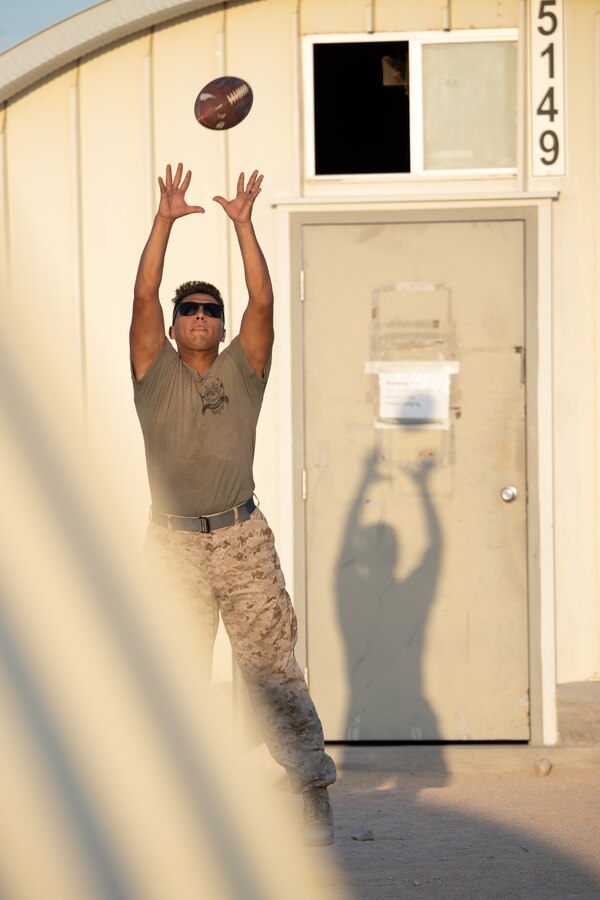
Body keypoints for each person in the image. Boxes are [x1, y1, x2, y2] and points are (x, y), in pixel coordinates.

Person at [130, 162, 336, 846]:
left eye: (209, 311)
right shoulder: (153, 374)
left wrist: (244, 226)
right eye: (187, 309)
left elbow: (264, 305)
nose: (197, 316)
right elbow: (142, 296)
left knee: (270, 666)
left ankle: (307, 789)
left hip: (241, 538)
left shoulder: (242, 371)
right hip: (172, 545)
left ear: (219, 327)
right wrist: (162, 222)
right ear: (174, 323)